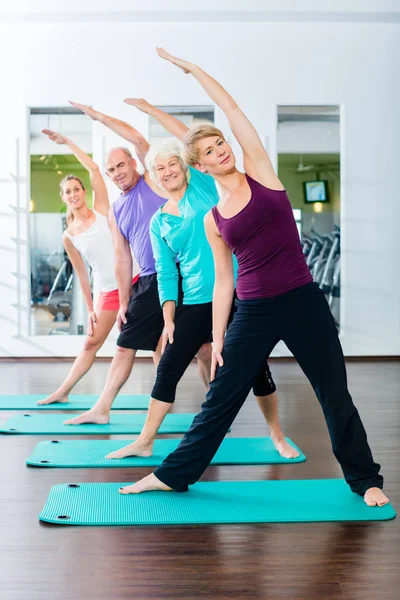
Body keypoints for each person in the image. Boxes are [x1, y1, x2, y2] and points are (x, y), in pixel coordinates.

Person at [121, 48, 388, 509]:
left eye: (220, 143)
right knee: (220, 398)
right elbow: (224, 282)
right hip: (255, 309)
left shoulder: (261, 172)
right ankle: (173, 475)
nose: (220, 151)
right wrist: (219, 336)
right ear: (199, 167)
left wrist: (193, 70)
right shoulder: (213, 217)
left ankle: (364, 479)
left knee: (334, 393)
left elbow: (231, 108)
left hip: (303, 300)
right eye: (208, 152)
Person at [106, 131, 297, 460]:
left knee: (257, 370)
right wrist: (168, 319)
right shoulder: (159, 221)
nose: (167, 172)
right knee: (167, 368)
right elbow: (166, 274)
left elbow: (194, 146)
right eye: (160, 169)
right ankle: (145, 440)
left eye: (172, 165)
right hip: (194, 300)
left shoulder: (204, 188)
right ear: (154, 176)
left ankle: (277, 434)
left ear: (185, 166)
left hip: (236, 293)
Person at [62, 102, 209, 426]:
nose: (116, 174)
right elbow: (122, 256)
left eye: (120, 166)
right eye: (110, 170)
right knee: (125, 346)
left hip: (184, 275)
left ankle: (215, 412)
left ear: (132, 163)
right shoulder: (116, 210)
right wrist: (125, 299)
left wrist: (100, 118)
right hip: (148, 280)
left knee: (203, 349)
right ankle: (102, 408)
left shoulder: (153, 180)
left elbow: (140, 140)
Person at [36, 130, 138, 406]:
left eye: (76, 189)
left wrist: (67, 142)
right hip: (107, 290)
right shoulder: (69, 235)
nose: (73, 194)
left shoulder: (102, 209)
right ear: (64, 197)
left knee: (152, 343)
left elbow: (93, 168)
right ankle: (63, 391)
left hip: (135, 281)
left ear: (83, 192)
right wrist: (91, 308)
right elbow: (82, 274)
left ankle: (164, 397)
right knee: (90, 343)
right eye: (67, 192)